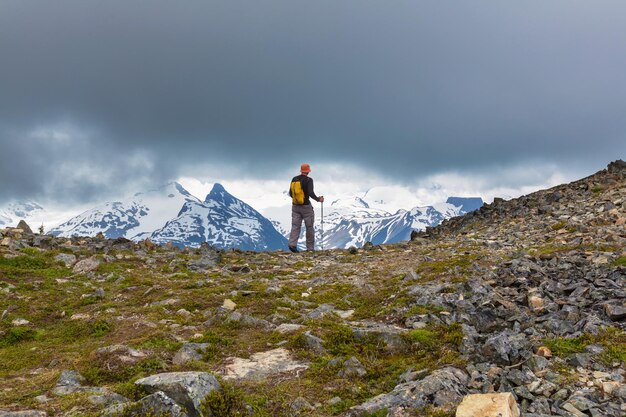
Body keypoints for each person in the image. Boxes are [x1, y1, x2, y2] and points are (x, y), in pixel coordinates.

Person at [288, 163, 324, 252]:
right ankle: (310, 248)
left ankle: (292, 244)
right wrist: (318, 199)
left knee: (295, 226)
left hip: (295, 206)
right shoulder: (309, 180)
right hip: (306, 207)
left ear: (301, 170)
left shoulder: (294, 179)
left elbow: (290, 193)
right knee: (309, 227)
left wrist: (297, 200)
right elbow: (310, 193)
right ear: (308, 171)